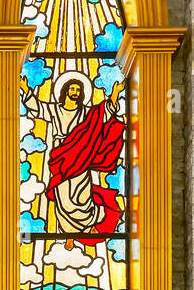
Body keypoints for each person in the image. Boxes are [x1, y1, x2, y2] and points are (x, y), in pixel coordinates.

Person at [20, 71, 125, 242]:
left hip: (81, 156)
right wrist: (26, 89)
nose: (75, 92)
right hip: (62, 156)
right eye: (72, 89)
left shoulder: (86, 113)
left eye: (78, 89)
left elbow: (103, 115)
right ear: (65, 91)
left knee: (82, 195)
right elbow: (38, 108)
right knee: (63, 198)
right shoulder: (55, 109)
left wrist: (115, 93)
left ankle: (87, 226)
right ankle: (68, 232)